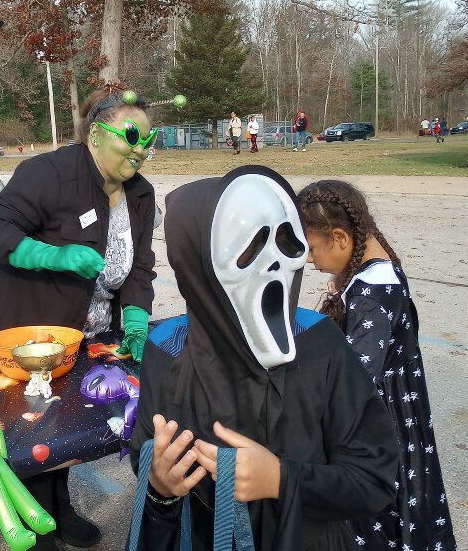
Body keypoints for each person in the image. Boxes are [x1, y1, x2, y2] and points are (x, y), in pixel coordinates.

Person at [129, 165, 399, 551]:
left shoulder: (321, 345)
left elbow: (374, 478)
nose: (274, 263)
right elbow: (147, 451)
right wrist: (158, 484)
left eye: (287, 242)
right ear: (197, 263)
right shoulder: (166, 348)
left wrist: (281, 479)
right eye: (250, 246)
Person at [0, 83, 157, 551]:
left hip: (84, 326)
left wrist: (135, 316)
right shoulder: (50, 172)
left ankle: (60, 506)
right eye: (131, 136)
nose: (140, 149)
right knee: (30, 424)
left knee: (66, 420)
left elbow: (140, 264)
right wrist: (51, 255)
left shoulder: (141, 194)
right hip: (21, 318)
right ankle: (33, 524)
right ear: (95, 135)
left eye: (149, 140)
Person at [298, 180, 457, 551]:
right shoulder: (376, 270)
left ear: (339, 237)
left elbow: (355, 380)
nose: (309, 259)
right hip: (402, 420)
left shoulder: (371, 294)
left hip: (382, 430)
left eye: (311, 248)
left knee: (381, 517)